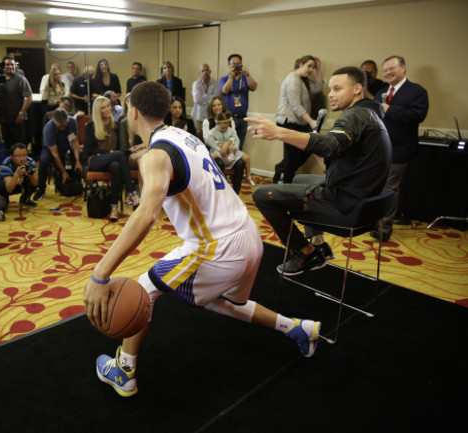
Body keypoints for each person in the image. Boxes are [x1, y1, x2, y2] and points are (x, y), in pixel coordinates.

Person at [84, 82, 322, 398]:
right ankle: (298, 328)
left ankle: (124, 370)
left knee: (143, 289)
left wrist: (100, 274)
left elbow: (145, 214)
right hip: (248, 237)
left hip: (217, 247)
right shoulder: (185, 136)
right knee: (224, 303)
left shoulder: (155, 156)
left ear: (135, 112)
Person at [249, 66, 391, 275]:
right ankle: (318, 243)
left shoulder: (355, 115)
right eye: (330, 90)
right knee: (299, 179)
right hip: (364, 201)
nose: (330, 95)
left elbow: (330, 145)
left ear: (357, 89)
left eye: (337, 89)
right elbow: (330, 161)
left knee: (261, 195)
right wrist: (313, 142)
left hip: (343, 203)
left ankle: (306, 253)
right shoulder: (372, 115)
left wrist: (279, 132)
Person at [371, 55, 429, 242]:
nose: (387, 72)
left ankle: (384, 229)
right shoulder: (381, 92)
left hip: (399, 149)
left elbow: (418, 115)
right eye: (385, 70)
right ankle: (373, 222)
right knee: (376, 187)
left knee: (389, 189)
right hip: (378, 149)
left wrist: (389, 110)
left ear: (403, 68)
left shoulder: (416, 91)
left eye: (391, 69)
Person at [83, 96, 139, 222]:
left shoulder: (115, 125)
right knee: (118, 155)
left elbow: (119, 148)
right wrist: (110, 152)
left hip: (112, 160)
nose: (107, 109)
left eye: (108, 106)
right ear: (98, 111)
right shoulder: (91, 125)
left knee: (115, 166)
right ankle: (133, 194)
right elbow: (88, 150)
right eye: (103, 107)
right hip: (95, 160)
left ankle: (113, 208)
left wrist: (127, 151)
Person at [272, 55, 324, 184]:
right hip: (289, 122)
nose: (310, 69)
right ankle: (285, 187)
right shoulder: (293, 80)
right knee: (292, 159)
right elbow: (296, 105)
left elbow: (318, 88)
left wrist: (318, 70)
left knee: (304, 152)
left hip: (299, 123)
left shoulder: (302, 80)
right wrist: (311, 121)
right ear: (300, 64)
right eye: (309, 66)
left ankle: (281, 169)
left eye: (313, 67)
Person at [32, 108, 82, 201]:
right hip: (50, 149)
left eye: (64, 124)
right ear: (54, 122)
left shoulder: (72, 122)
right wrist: (63, 172)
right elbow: (55, 154)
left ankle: (78, 183)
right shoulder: (49, 128)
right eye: (60, 125)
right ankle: (41, 189)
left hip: (66, 146)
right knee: (43, 161)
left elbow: (75, 142)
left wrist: (78, 161)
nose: (63, 126)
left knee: (82, 154)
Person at [219, 54, 258, 144]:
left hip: (242, 118)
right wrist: (232, 76)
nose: (236, 66)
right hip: (228, 118)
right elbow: (225, 90)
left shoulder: (245, 78)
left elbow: (254, 87)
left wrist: (247, 74)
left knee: (239, 145)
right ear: (229, 66)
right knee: (227, 144)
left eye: (238, 64)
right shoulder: (224, 79)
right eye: (234, 64)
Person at [206, 112, 253, 186]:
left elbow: (236, 139)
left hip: (231, 151)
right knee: (210, 157)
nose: (224, 129)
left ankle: (248, 176)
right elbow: (211, 143)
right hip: (219, 151)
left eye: (226, 127)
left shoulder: (230, 130)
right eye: (222, 128)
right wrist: (219, 149)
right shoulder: (212, 132)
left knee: (246, 158)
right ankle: (208, 175)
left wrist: (236, 148)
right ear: (217, 123)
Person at [0, 56, 33, 148]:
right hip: (5, 119)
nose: (10, 66)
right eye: (7, 64)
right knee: (8, 145)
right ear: (3, 66)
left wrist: (21, 113)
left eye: (12, 64)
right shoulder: (0, 80)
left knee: (20, 146)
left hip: (18, 119)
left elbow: (29, 97)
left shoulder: (20, 79)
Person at [0, 143, 38, 207]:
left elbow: (35, 184)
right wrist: (16, 174)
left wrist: (30, 174)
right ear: (11, 156)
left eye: (24, 155)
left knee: (31, 180)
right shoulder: (6, 164)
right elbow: (9, 189)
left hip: (18, 184)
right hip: (3, 186)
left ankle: (25, 199)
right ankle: (5, 200)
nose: (22, 159)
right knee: (1, 183)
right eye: (18, 156)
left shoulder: (30, 161)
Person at [118, 93, 145, 170]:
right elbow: (123, 148)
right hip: (129, 154)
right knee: (142, 159)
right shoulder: (123, 122)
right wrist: (138, 148)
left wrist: (141, 147)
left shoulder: (143, 120)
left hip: (141, 152)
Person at [191, 63, 220, 129]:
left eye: (207, 70)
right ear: (199, 73)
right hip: (198, 116)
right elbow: (197, 99)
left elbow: (216, 99)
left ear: (210, 72)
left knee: (210, 137)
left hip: (211, 117)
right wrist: (210, 97)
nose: (205, 72)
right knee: (198, 137)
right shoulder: (196, 84)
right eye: (203, 71)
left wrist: (203, 96)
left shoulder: (215, 84)